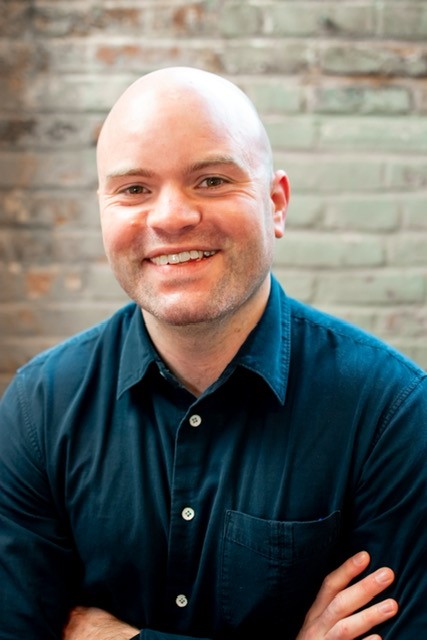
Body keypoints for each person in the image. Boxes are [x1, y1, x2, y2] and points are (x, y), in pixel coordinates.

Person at [0, 66, 425, 640]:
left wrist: (114, 636)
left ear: (276, 204)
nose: (171, 217)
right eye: (134, 189)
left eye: (212, 180)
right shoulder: (39, 407)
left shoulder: (391, 412)